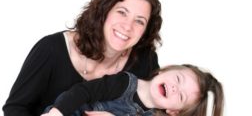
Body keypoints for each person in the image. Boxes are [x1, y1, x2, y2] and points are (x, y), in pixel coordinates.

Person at [3, 0, 163, 116]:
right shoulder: (51, 49)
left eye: (139, 21)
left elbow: (161, 111)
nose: (128, 26)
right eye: (122, 12)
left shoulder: (145, 61)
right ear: (104, 11)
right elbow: (15, 108)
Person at [41, 64, 224, 116]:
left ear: (173, 112)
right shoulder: (125, 83)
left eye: (181, 96)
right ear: (165, 70)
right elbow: (83, 91)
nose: (175, 88)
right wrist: (57, 112)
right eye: (178, 79)